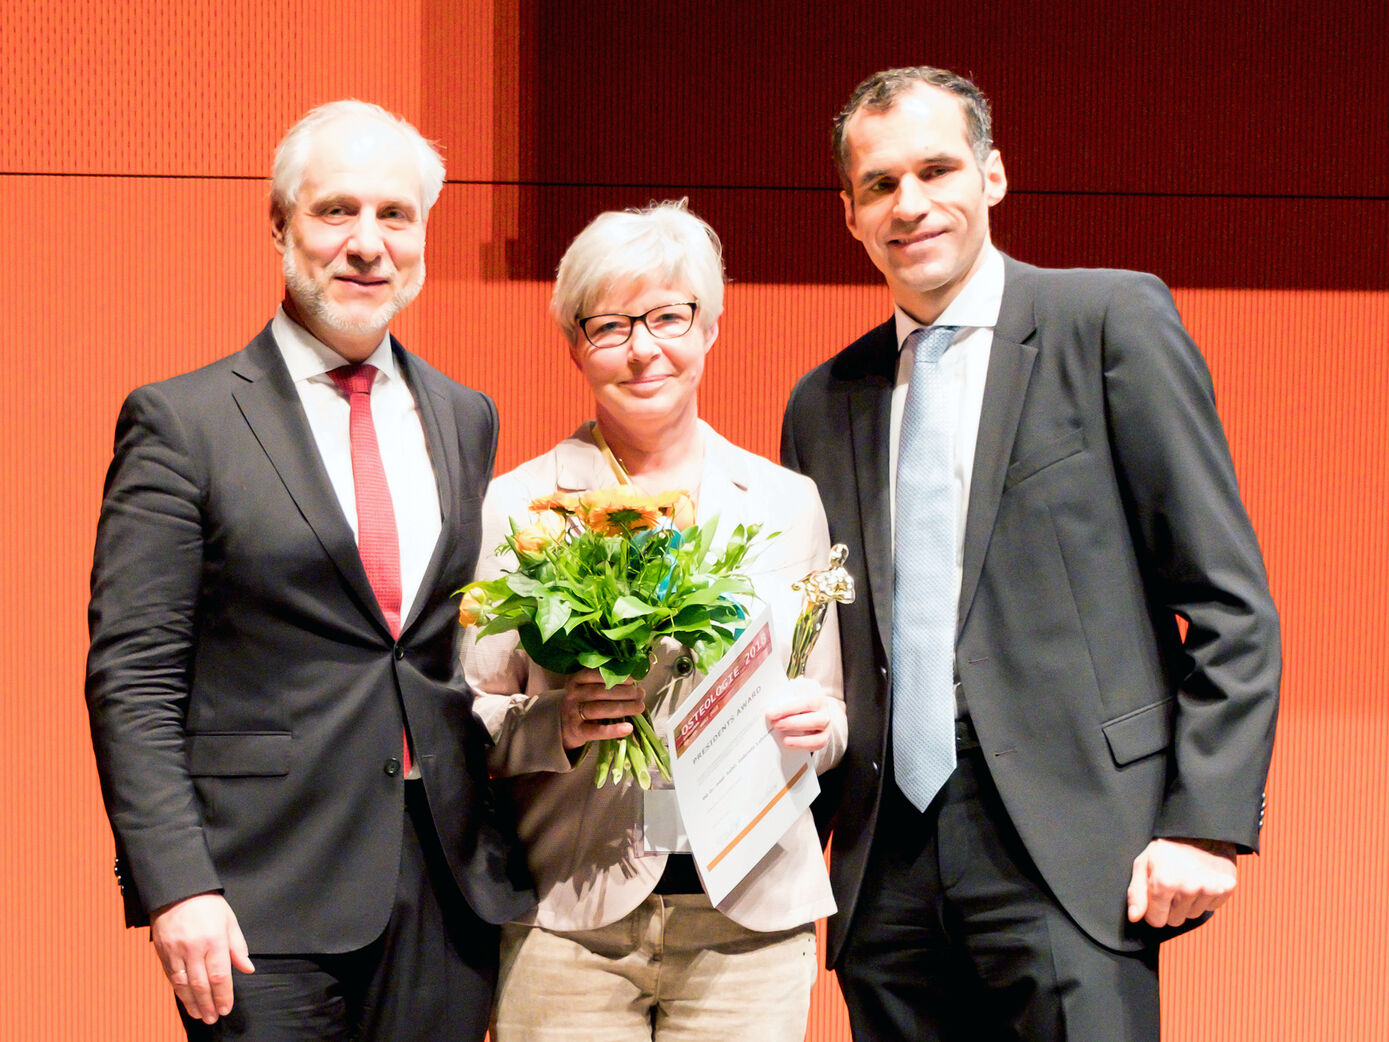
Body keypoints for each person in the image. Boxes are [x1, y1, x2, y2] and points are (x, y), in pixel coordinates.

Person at [781, 66, 1281, 1041]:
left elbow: (1228, 600)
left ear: (994, 175)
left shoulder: (1107, 323)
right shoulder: (821, 401)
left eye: (936, 169)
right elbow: (820, 644)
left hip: (1074, 846)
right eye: (879, 184)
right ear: (848, 212)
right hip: (885, 867)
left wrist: (1204, 820)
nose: (910, 203)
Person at [85, 99, 533, 1041]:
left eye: (395, 215)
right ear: (280, 225)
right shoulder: (183, 422)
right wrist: (177, 887)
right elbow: (135, 676)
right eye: (335, 212)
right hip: (258, 897)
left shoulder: (465, 415)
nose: (367, 243)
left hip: (446, 887)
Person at [464, 200, 846, 1042]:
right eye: (609, 325)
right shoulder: (519, 506)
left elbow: (831, 712)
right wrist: (553, 724)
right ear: (573, 343)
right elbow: (470, 714)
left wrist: (824, 726)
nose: (643, 349)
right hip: (573, 918)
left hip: (749, 920)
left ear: (709, 327)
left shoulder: (787, 504)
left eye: (669, 316)